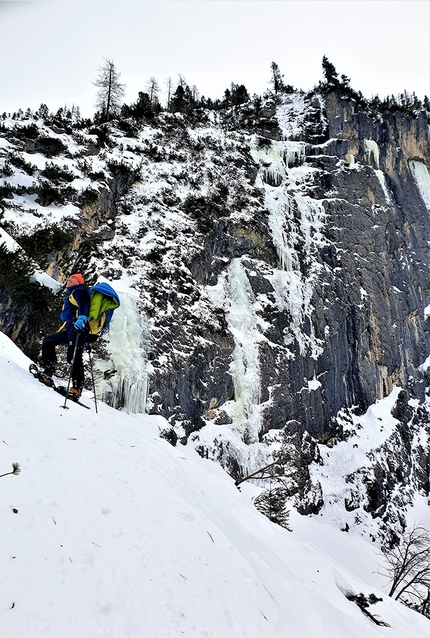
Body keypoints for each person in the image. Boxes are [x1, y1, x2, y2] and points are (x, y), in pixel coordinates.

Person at [40, 273, 90, 399]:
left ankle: (76, 389)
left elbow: (84, 304)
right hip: (71, 328)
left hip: (78, 327)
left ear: (79, 282)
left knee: (74, 355)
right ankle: (48, 371)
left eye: (73, 278)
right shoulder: (73, 293)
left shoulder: (80, 290)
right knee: (48, 341)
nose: (69, 279)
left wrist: (83, 317)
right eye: (69, 277)